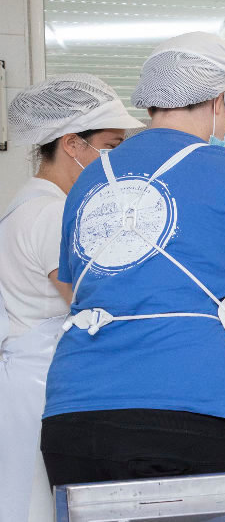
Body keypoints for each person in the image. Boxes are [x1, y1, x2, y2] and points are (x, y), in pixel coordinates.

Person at [40, 32, 225, 488]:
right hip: (195, 414)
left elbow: (83, 291)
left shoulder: (87, 183)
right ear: (219, 100)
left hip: (75, 418)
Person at [0, 74, 144, 522]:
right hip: (41, 381)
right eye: (111, 146)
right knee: (34, 502)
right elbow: (88, 300)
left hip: (32, 375)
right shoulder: (51, 213)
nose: (118, 160)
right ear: (73, 145)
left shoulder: (29, 201)